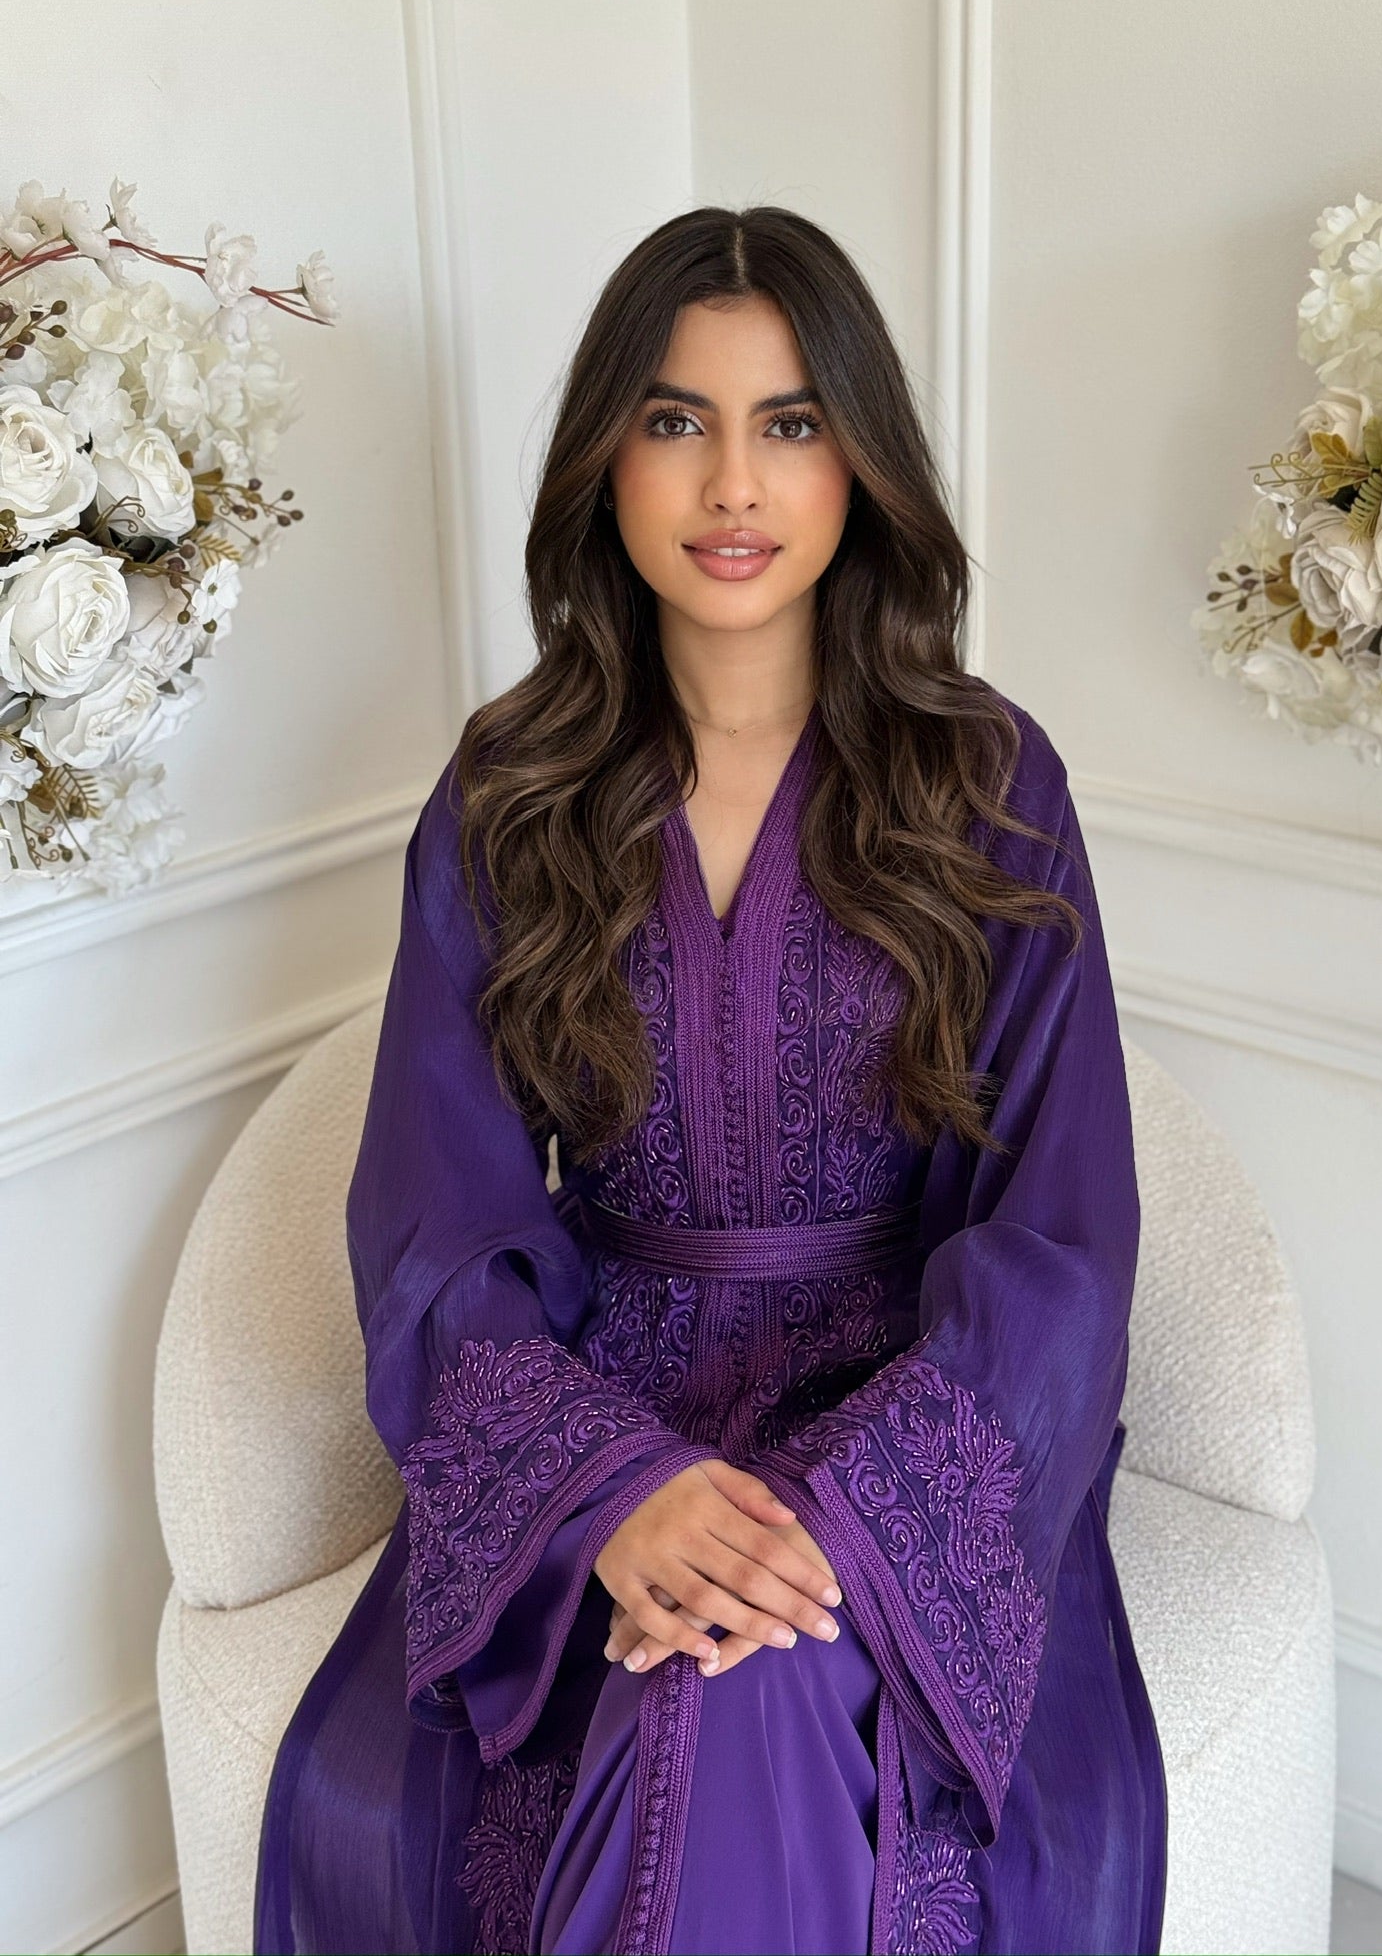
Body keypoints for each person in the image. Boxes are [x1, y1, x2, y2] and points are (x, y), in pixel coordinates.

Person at [252, 204, 1167, 1956]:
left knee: (740, 1689)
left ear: (861, 462)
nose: (733, 484)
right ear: (607, 457)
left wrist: (843, 1531)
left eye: (792, 422)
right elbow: (438, 1213)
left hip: (910, 1411)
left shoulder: (988, 780)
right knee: (622, 1699)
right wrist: (607, 1495)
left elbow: (1060, 1232)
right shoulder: (511, 791)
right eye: (677, 421)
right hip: (617, 1396)